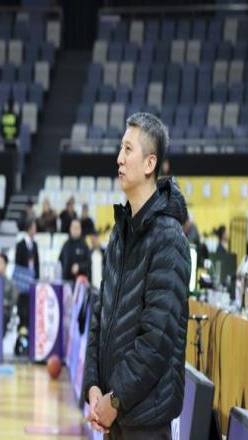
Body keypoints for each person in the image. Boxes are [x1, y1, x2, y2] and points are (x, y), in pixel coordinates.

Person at [83, 112, 190, 439]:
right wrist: (93, 386)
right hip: (114, 415)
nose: (119, 158)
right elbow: (100, 314)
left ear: (149, 163)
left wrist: (115, 400)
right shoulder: (119, 234)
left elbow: (156, 340)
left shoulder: (170, 238)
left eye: (128, 149)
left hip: (145, 421)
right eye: (121, 148)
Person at [0, 254, 19, 331]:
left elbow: (14, 300)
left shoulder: (11, 283)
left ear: (5, 264)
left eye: (0, 262)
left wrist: (5, 302)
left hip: (4, 313)